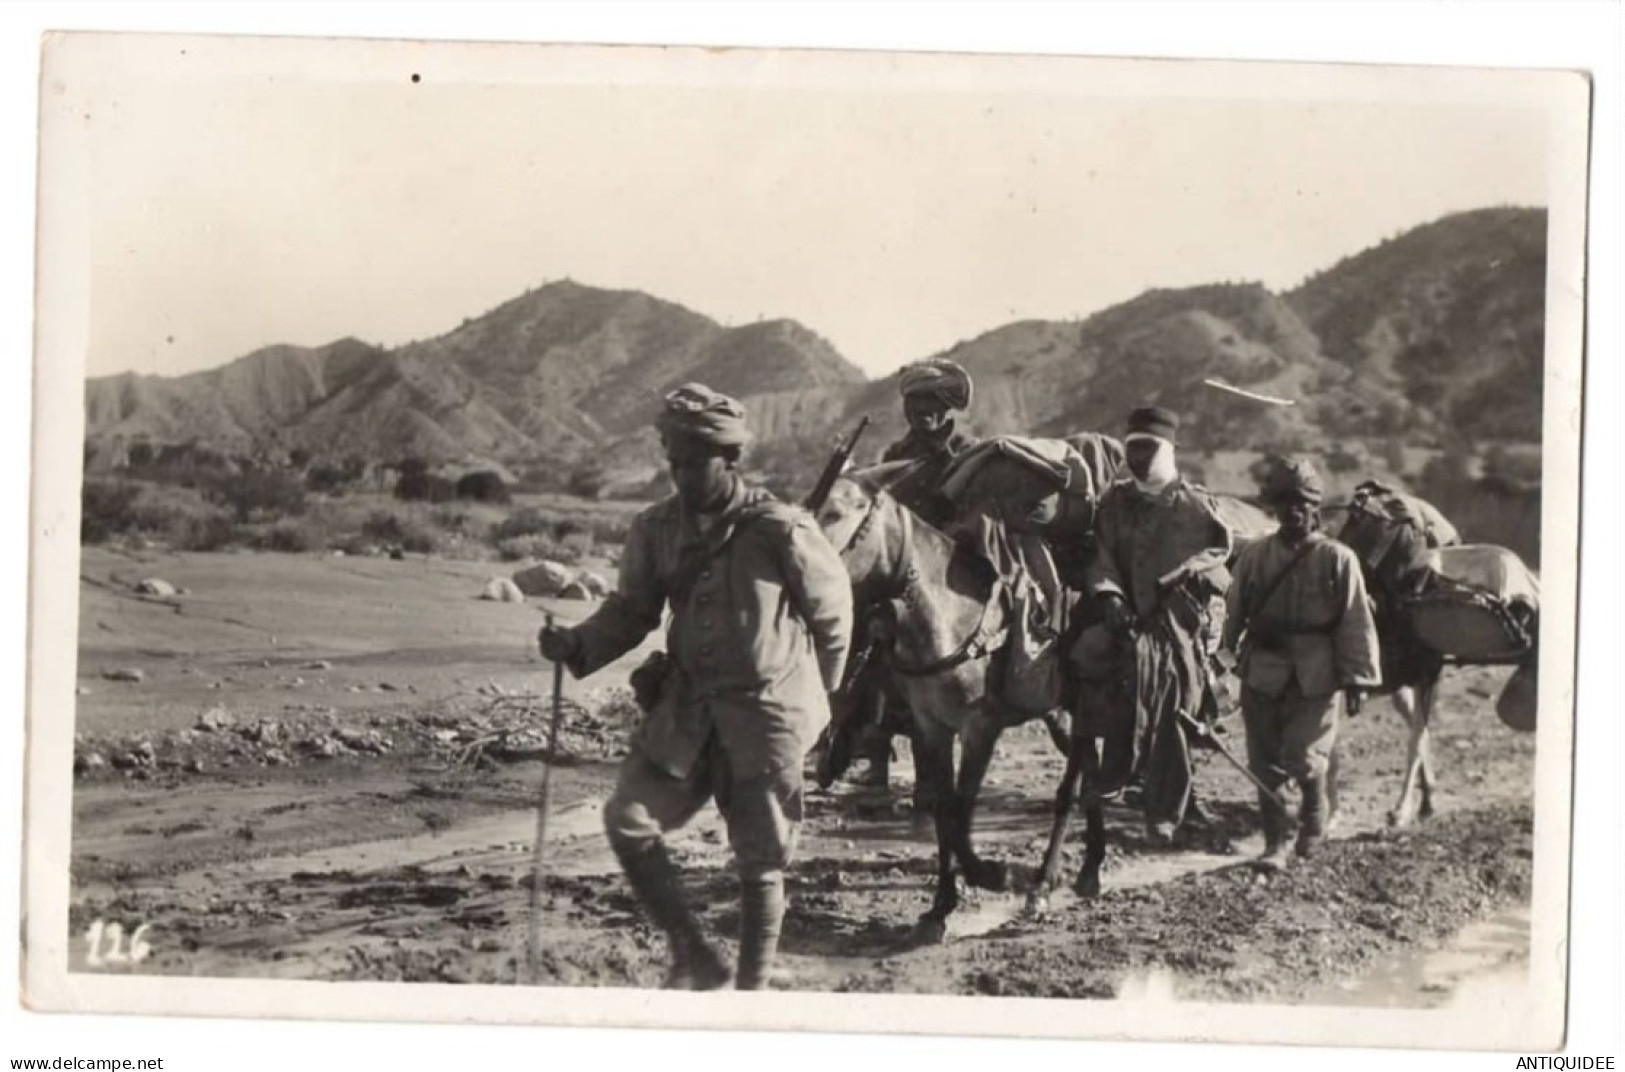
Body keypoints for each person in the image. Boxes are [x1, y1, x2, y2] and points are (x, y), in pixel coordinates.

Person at [538, 383, 853, 990]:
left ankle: (751, 993)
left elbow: (833, 615)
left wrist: (820, 703)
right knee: (628, 818)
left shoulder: (781, 530)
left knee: (761, 861)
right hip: (685, 713)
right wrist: (577, 643)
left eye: (693, 461)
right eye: (673, 460)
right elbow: (632, 611)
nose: (680, 474)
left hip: (767, 716)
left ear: (729, 459)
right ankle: (695, 955)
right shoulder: (655, 528)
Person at [1076, 405, 1233, 844]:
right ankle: (1110, 774)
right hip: (1124, 618)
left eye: (1149, 448)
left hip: (1175, 623)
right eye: (1134, 448)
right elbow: (1102, 557)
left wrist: (1182, 580)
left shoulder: (1194, 505)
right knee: (1084, 664)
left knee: (1170, 691)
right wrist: (1109, 595)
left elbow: (1220, 551)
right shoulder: (1115, 502)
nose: (1140, 457)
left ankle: (1166, 808)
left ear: (1166, 450)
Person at [1221, 456, 1381, 870]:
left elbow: (1355, 619)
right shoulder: (1255, 556)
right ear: (1274, 508)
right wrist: (1223, 655)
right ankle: (1275, 842)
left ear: (1315, 508)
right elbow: (1235, 609)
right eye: (1284, 503)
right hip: (1263, 669)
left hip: (1316, 672)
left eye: (1302, 503)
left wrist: (1359, 679)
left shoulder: (1338, 559)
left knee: (1306, 757)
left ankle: (1312, 825)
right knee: (1264, 760)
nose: (1293, 511)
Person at [841, 358, 980, 792]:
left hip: (953, 571)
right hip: (897, 568)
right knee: (863, 642)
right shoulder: (894, 457)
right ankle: (870, 752)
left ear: (948, 407)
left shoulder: (970, 453)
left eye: (931, 402)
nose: (922, 412)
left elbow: (979, 517)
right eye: (914, 403)